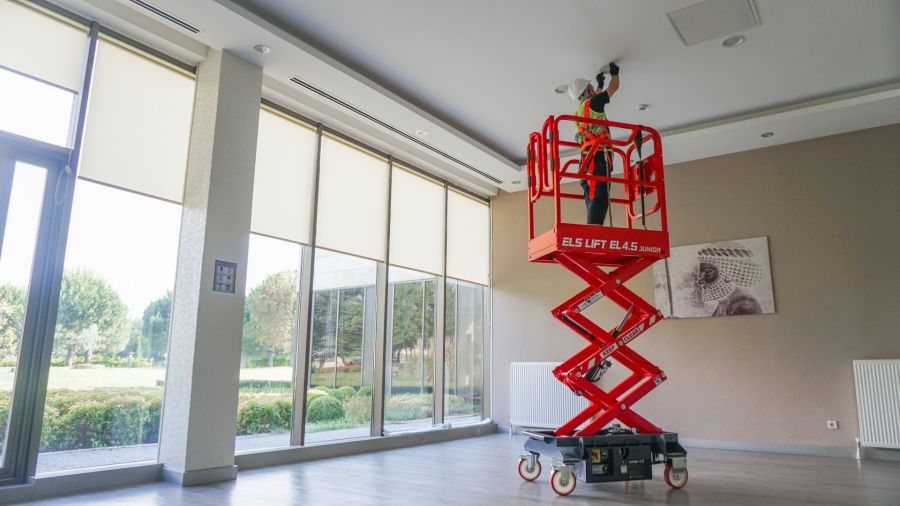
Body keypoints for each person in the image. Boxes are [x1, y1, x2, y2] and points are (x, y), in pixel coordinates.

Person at [568, 62, 619, 225]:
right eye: (591, 87)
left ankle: (592, 230)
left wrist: (599, 84)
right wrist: (615, 73)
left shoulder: (579, 112)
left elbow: (595, 97)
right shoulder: (594, 104)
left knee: (592, 195)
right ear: (588, 91)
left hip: (586, 162)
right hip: (598, 158)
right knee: (600, 196)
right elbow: (614, 87)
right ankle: (594, 231)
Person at [695, 242, 764, 316]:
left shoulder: (744, 306)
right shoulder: (726, 302)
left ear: (729, 274)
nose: (700, 280)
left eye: (708, 272)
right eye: (700, 273)